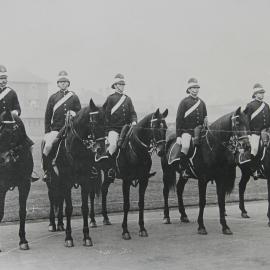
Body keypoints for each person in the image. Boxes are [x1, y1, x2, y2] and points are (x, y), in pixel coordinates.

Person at [0, 65, 39, 181]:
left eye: (4, 78)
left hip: (10, 122)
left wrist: (15, 112)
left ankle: (29, 171)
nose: (3, 81)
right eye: (1, 78)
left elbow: (17, 107)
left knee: (27, 144)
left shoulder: (11, 92)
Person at [42, 70, 81, 181]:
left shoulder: (74, 97)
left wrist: (74, 113)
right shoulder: (53, 97)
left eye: (65, 82)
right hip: (56, 129)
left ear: (68, 83)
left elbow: (79, 113)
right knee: (48, 146)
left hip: (71, 129)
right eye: (61, 82)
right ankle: (47, 170)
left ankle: (88, 170)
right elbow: (48, 115)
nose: (63, 83)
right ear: (58, 84)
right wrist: (47, 131)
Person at [103, 73, 137, 178]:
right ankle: (110, 168)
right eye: (120, 84)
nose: (122, 86)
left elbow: (132, 113)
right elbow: (106, 116)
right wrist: (106, 132)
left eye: (123, 84)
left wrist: (134, 120)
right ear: (115, 85)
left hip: (126, 129)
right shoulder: (110, 98)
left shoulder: (128, 99)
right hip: (114, 129)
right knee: (113, 145)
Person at [175, 78, 208, 177]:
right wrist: (178, 136)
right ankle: (184, 169)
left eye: (197, 88)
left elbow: (205, 116)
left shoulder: (202, 102)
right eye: (193, 88)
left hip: (200, 131)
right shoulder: (184, 102)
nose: (195, 90)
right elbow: (179, 119)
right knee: (185, 146)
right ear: (189, 89)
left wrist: (206, 122)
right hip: (187, 131)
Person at [244, 83, 270, 178]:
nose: (262, 95)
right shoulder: (250, 105)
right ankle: (254, 170)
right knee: (254, 149)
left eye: (263, 93)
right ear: (255, 94)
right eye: (260, 93)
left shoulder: (266, 105)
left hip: (266, 131)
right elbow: (246, 120)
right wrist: (248, 133)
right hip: (255, 132)